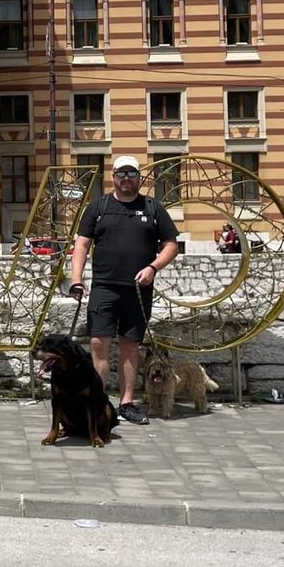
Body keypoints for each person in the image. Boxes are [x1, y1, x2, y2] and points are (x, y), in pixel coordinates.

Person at [67, 155, 179, 425]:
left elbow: (171, 245)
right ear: (113, 177)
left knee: (130, 345)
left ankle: (127, 402)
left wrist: (153, 267)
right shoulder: (99, 207)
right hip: (104, 287)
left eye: (131, 174)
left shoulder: (153, 208)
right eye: (121, 174)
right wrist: (76, 279)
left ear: (139, 178)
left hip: (138, 290)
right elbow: (81, 245)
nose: (126, 179)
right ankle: (98, 401)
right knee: (98, 343)